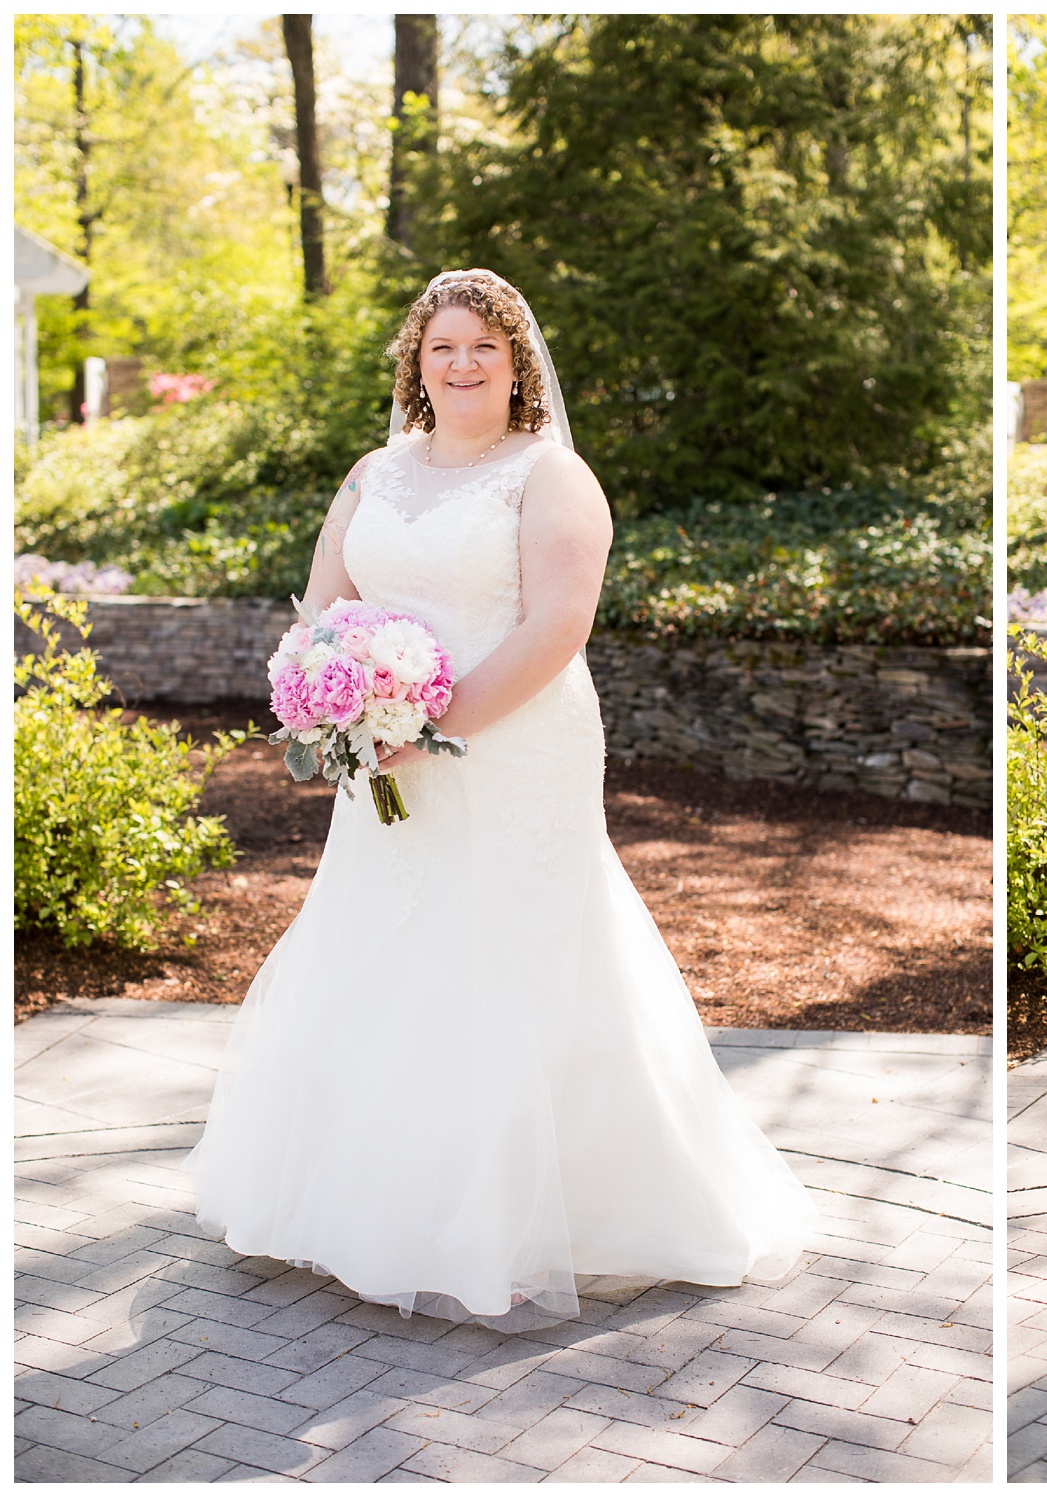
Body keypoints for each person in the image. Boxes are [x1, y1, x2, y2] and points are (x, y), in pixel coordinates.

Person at [190, 269, 815, 1330]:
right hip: (381, 753)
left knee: (512, 949)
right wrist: (342, 711)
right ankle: (378, 1207)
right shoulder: (369, 476)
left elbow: (553, 631)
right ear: (416, 365)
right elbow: (321, 607)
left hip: (514, 742)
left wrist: (425, 731)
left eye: (483, 345)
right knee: (386, 944)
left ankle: (527, 1224)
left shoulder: (550, 476)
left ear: (517, 361)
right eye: (443, 348)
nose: (463, 363)